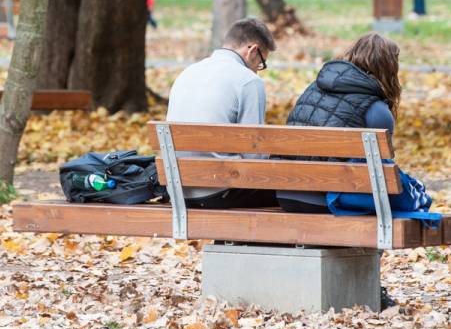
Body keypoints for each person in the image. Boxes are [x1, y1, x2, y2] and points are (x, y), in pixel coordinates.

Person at [276, 33, 401, 214]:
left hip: (285, 193)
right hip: (327, 199)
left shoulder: (314, 88)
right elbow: (380, 173)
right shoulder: (377, 110)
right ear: (389, 68)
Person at [166, 18, 277, 209]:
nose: (258, 71)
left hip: (178, 191)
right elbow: (254, 157)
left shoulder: (188, 72)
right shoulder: (249, 81)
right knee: (290, 192)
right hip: (220, 192)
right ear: (252, 50)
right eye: (261, 63)